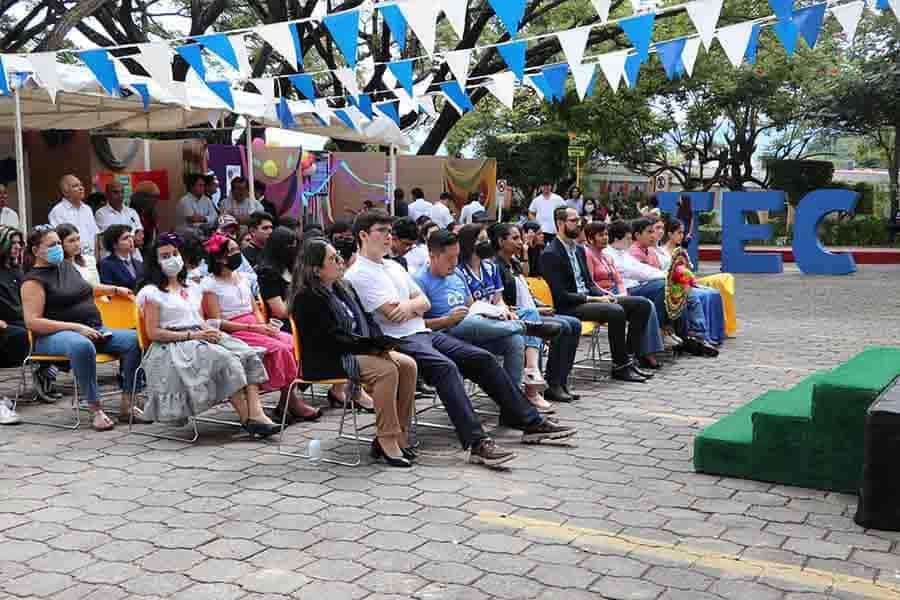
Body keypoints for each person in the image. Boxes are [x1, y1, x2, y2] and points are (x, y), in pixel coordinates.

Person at [345, 210, 575, 468]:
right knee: (446, 368)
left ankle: (528, 421)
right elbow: (392, 314)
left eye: (390, 231)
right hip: (396, 340)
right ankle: (477, 442)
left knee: (482, 358)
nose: (389, 237)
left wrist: (408, 306)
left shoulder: (393, 266)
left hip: (422, 332)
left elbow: (424, 302)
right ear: (363, 235)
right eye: (382, 231)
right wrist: (414, 306)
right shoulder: (359, 273)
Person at [137, 233, 279, 437]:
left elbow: (198, 319)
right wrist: (192, 336)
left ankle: (256, 414)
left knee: (248, 352)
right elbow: (153, 333)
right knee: (227, 360)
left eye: (175, 253)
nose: (172, 259)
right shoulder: (153, 293)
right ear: (156, 262)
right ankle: (247, 418)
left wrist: (207, 330)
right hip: (174, 344)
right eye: (165, 256)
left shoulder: (192, 287)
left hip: (199, 335)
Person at [292, 239, 418, 466]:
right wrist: (371, 347)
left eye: (338, 255)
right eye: (332, 259)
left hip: (353, 348)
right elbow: (329, 340)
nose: (340, 261)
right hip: (328, 358)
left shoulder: (342, 288)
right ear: (316, 269)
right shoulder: (307, 298)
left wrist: (380, 343)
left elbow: (366, 320)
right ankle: (386, 438)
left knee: (408, 364)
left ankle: (401, 432)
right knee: (386, 370)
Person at [414, 229, 560, 411]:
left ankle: (514, 408)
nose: (454, 263)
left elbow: (472, 305)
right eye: (449, 258)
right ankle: (524, 328)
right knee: (471, 322)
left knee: (513, 341)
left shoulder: (456, 275)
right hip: (444, 335)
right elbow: (414, 327)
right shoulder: (419, 280)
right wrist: (447, 320)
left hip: (476, 327)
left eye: (456, 257)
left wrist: (494, 312)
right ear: (433, 255)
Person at [21, 225, 143, 430]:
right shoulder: (33, 281)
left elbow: (86, 289)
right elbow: (32, 322)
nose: (58, 248)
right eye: (52, 245)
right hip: (52, 337)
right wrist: (77, 328)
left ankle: (128, 403)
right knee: (82, 345)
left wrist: (115, 289)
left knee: (133, 340)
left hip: (93, 329)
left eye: (59, 243)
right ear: (36, 251)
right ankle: (95, 409)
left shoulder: (66, 267)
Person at [200, 233, 321, 424]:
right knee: (279, 348)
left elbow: (254, 308)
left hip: (254, 325)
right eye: (231, 251)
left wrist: (262, 325)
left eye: (237, 249)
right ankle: (291, 401)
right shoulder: (210, 285)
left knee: (292, 342)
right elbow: (216, 321)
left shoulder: (241, 278)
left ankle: (287, 399)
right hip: (235, 329)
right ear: (219, 258)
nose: (237, 254)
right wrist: (253, 328)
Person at [540, 207, 654, 383]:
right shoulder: (551, 253)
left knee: (641, 304)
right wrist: (594, 298)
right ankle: (620, 366)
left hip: (589, 299)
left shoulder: (577, 250)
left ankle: (630, 358)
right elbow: (560, 295)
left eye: (578, 220)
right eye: (573, 220)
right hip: (569, 306)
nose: (578, 223)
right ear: (560, 223)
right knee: (615, 311)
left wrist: (605, 294)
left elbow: (589, 283)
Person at [454, 225, 559, 397]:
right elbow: (472, 306)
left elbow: (498, 299)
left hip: (500, 317)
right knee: (518, 336)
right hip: (480, 322)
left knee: (530, 313)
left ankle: (532, 371)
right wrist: (499, 312)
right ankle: (527, 393)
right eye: (481, 240)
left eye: (486, 239)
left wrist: (504, 310)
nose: (486, 243)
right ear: (468, 243)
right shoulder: (460, 272)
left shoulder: (490, 267)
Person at [492, 223, 581, 402]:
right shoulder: (495, 266)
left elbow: (526, 290)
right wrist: (537, 309)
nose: (520, 242)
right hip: (517, 314)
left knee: (574, 323)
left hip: (532, 309)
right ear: (501, 241)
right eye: (515, 238)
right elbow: (503, 302)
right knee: (562, 326)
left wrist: (540, 306)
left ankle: (559, 380)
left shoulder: (514, 263)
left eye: (520, 238)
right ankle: (544, 384)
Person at [603, 220, 718, 357]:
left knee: (676, 288)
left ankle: (684, 334)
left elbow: (643, 269)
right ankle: (663, 331)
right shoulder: (611, 254)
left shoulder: (624, 252)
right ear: (617, 238)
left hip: (638, 287)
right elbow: (636, 271)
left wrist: (671, 276)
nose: (630, 241)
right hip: (626, 291)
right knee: (666, 287)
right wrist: (669, 277)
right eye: (628, 238)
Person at [630, 216, 725, 345]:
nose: (655, 234)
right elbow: (646, 275)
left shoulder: (651, 251)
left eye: (657, 230)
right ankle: (674, 331)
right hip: (642, 289)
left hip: (663, 284)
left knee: (704, 293)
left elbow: (664, 272)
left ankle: (693, 334)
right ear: (637, 234)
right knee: (678, 293)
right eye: (650, 231)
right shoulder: (635, 252)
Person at [583, 221, 664, 369]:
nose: (605, 238)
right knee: (644, 303)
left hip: (616, 294)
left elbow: (619, 280)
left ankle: (633, 353)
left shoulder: (607, 257)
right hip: (601, 296)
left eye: (606, 234)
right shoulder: (588, 255)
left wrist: (622, 294)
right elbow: (591, 283)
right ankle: (632, 356)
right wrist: (607, 295)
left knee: (644, 304)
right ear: (590, 238)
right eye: (601, 235)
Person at [658, 217, 737, 340]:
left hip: (688, 282)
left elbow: (689, 268)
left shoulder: (680, 250)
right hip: (676, 285)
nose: (682, 236)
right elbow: (666, 272)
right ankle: (701, 333)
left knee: (714, 293)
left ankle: (718, 332)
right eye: (679, 232)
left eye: (682, 233)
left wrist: (686, 265)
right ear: (670, 234)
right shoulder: (662, 252)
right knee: (701, 295)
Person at [0, 226, 25, 423]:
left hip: (18, 319)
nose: (17, 247)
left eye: (19, 243)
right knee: (18, 334)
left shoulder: (17, 269)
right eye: (13, 243)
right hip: (5, 324)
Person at [257, 226, 299, 333]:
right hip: (285, 324)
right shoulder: (267, 273)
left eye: (295, 245)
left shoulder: (291, 267)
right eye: (290, 246)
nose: (293, 249)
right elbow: (281, 311)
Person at [49, 175, 100, 258]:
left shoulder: (87, 209)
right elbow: (59, 239)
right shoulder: (58, 211)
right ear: (65, 192)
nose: (81, 188)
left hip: (91, 259)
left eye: (81, 185)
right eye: (75, 186)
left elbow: (95, 235)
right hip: (72, 259)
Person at [98, 225, 144, 292]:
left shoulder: (138, 263)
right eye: (125, 238)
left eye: (130, 236)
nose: (130, 240)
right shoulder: (106, 264)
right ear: (114, 245)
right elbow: (109, 292)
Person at [56, 223, 100, 287]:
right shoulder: (57, 266)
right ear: (61, 244)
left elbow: (97, 285)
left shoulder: (89, 260)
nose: (77, 244)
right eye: (71, 241)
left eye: (78, 239)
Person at [129, 181, 160, 248]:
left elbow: (155, 233)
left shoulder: (152, 213)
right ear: (142, 198)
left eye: (157, 197)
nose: (156, 201)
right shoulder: (131, 214)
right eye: (153, 197)